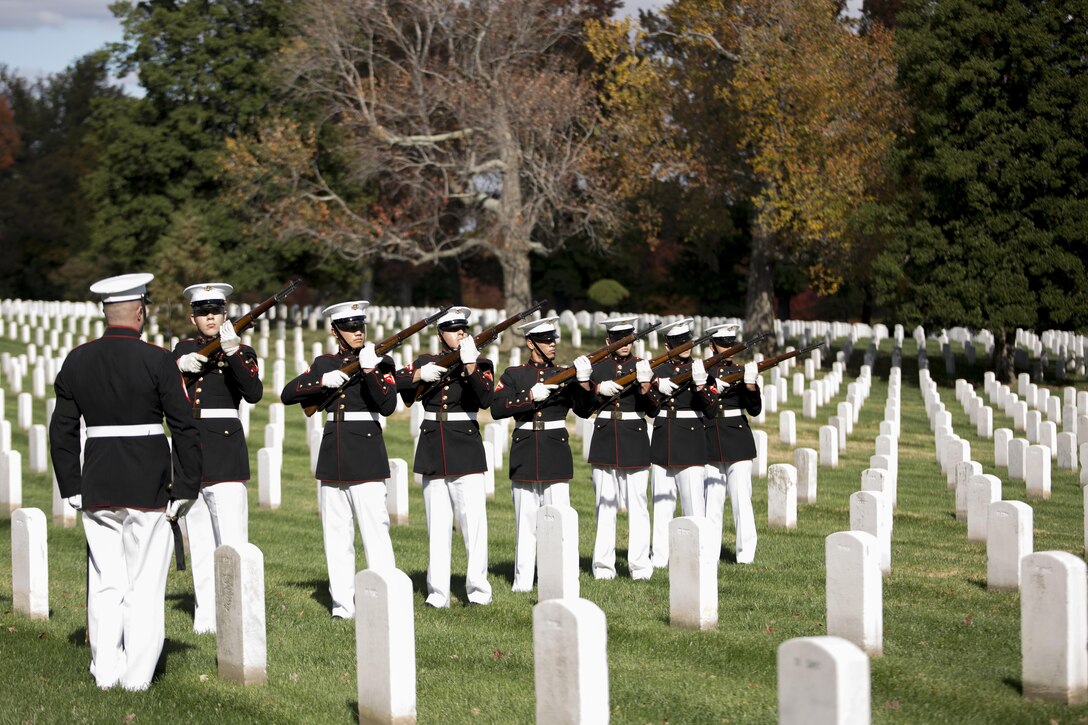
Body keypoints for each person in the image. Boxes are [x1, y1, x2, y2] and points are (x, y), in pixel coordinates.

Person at [49, 273, 202, 691]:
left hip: (97, 480)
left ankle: (105, 672)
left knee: (105, 581)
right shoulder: (158, 360)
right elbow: (184, 427)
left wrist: (72, 485)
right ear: (140, 311)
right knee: (145, 583)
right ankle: (136, 678)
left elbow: (62, 430)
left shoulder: (77, 359)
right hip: (147, 484)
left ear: (106, 313)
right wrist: (187, 485)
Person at [280, 300, 397, 619]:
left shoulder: (381, 361)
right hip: (333, 454)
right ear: (335, 331)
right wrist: (321, 382)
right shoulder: (324, 362)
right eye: (350, 328)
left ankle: (384, 598)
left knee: (375, 531)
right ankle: (342, 605)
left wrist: (370, 370)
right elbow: (288, 394)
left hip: (366, 453)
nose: (358, 332)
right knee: (336, 535)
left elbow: (387, 405)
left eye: (361, 327)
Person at [172, 282, 262, 633]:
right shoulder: (180, 349)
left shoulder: (242, 350)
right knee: (199, 538)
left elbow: (253, 392)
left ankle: (236, 614)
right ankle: (206, 616)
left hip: (225, 451)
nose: (210, 317)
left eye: (216, 311)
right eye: (202, 312)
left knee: (231, 538)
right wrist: (179, 365)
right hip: (191, 450)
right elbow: (162, 384)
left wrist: (234, 352)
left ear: (225, 314)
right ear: (193, 317)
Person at [396, 306, 495, 607]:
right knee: (437, 526)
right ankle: (437, 593)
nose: (461, 333)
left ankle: (478, 591)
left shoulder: (481, 363)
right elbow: (395, 385)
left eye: (463, 328)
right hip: (432, 448)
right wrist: (418, 374)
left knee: (473, 525)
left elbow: (485, 398)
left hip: (464, 447)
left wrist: (469, 366)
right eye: (454, 329)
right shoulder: (425, 362)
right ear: (440, 335)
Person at [490, 316, 594, 592]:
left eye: (553, 340)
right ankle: (523, 581)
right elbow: (497, 408)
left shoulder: (564, 373)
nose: (552, 345)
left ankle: (558, 576)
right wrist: (528, 397)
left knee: (558, 518)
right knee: (525, 521)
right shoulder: (514, 375)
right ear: (530, 343)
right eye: (546, 340)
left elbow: (585, 410)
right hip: (525, 447)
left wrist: (583, 382)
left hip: (555, 448)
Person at [586, 315, 655, 580]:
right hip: (605, 435)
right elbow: (582, 410)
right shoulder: (597, 368)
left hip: (634, 436)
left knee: (637, 504)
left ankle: (639, 566)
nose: (625, 345)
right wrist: (595, 389)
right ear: (609, 341)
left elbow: (653, 408)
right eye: (619, 340)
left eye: (629, 339)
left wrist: (647, 387)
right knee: (605, 504)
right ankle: (603, 567)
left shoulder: (643, 365)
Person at [647, 318, 713, 568]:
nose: (684, 346)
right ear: (668, 346)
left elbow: (710, 410)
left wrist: (700, 386)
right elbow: (650, 410)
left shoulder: (702, 368)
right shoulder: (658, 371)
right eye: (677, 343)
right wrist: (654, 386)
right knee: (662, 505)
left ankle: (699, 556)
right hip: (664, 438)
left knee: (693, 503)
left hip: (690, 438)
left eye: (686, 341)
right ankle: (661, 557)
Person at [702, 323, 762, 564]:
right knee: (711, 503)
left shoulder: (740, 371)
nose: (727, 347)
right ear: (711, 345)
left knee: (741, 500)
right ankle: (709, 553)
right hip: (709, 439)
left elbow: (754, 410)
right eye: (722, 343)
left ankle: (746, 554)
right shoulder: (700, 373)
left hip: (737, 440)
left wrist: (750, 386)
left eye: (730, 343)